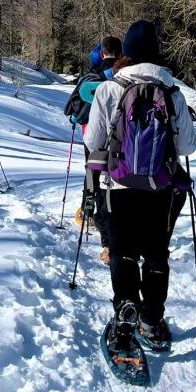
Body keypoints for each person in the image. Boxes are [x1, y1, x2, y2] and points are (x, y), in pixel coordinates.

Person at [83, 20, 196, 354]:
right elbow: (188, 147)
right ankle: (152, 320)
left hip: (117, 185)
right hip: (160, 189)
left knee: (123, 251)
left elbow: (93, 140)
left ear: (126, 53)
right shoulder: (172, 92)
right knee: (157, 253)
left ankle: (125, 310)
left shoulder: (110, 89)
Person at [64, 35, 122, 261]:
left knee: (93, 175)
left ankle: (89, 212)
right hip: (122, 137)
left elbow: (72, 107)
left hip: (92, 135)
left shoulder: (91, 76)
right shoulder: (125, 74)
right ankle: (114, 219)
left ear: (102, 53)